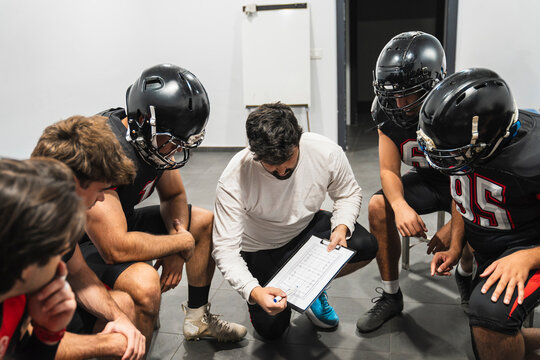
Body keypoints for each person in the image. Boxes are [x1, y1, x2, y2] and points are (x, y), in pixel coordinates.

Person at [80, 63, 246, 342]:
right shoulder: (103, 149)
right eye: (172, 141)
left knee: (202, 222)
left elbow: (174, 195)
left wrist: (174, 245)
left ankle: (197, 319)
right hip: (84, 242)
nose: (177, 151)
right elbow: (113, 248)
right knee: (145, 285)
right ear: (142, 120)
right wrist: (178, 244)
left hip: (121, 221)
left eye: (185, 143)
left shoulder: (151, 140)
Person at [212, 102, 378, 340]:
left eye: (288, 161)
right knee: (271, 331)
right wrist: (255, 291)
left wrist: (341, 227)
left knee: (365, 244)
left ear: (298, 140)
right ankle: (297, 289)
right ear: (254, 152)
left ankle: (313, 290)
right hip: (260, 249)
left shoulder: (325, 151)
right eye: (271, 165)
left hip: (306, 230)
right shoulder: (234, 177)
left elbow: (347, 193)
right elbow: (225, 250)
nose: (281, 171)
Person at [356, 31, 474, 333]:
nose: (398, 101)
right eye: (392, 92)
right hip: (426, 179)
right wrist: (399, 205)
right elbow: (388, 169)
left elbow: (471, 178)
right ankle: (391, 294)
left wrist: (453, 230)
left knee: (478, 218)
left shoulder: (459, 109)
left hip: (463, 184)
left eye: (409, 93)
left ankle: (465, 271)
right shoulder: (387, 109)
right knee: (379, 206)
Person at [418, 68, 540, 360]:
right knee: (483, 339)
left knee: (489, 320)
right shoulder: (469, 145)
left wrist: (530, 256)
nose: (444, 157)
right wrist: (456, 246)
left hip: (526, 248)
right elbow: (465, 196)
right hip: (490, 249)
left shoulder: (532, 161)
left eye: (454, 151)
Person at [32, 115, 146, 359]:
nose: (102, 199)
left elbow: (78, 274)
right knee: (116, 341)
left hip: (41, 313)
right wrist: (107, 345)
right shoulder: (18, 231)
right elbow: (24, 340)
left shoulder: (63, 211)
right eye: (100, 190)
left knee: (122, 309)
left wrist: (121, 320)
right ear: (73, 183)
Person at [0, 158, 83, 359]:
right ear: (27, 257)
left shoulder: (15, 296)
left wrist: (47, 335)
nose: (61, 267)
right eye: (58, 254)